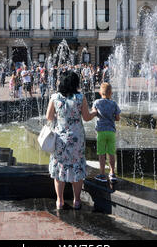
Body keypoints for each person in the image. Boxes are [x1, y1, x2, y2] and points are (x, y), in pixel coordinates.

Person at [46, 70, 97, 210]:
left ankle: (60, 200)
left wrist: (60, 117)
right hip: (77, 137)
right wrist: (94, 112)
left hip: (60, 138)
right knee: (77, 167)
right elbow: (86, 117)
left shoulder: (55, 97)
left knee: (59, 167)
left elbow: (49, 117)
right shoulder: (80, 97)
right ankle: (77, 200)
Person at [92, 82, 121, 183]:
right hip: (111, 132)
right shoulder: (114, 104)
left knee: (101, 154)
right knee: (111, 153)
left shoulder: (97, 103)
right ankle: (112, 173)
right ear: (111, 93)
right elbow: (117, 118)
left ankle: (102, 174)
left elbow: (94, 112)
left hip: (101, 132)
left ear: (100, 92)